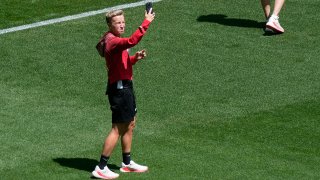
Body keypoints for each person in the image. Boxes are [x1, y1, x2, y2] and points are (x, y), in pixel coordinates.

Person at [92, 8, 155, 179]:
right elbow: (133, 40)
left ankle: (127, 163)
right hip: (120, 91)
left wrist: (134, 58)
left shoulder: (115, 39)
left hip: (125, 87)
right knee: (117, 128)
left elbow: (122, 62)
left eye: (122, 22)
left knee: (130, 123)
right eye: (117, 23)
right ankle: (101, 167)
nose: (121, 25)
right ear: (109, 25)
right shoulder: (113, 41)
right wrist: (146, 21)